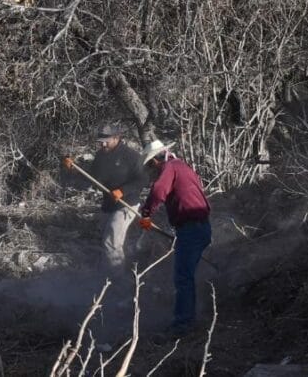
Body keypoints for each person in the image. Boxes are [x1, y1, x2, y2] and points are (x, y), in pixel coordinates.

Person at [138, 139, 212, 338]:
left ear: (154, 161)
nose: (149, 170)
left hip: (192, 228)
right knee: (185, 275)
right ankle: (188, 317)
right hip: (199, 226)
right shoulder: (181, 166)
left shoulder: (168, 168)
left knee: (183, 277)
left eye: (148, 166)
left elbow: (158, 191)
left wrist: (146, 214)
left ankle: (183, 325)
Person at [83, 123, 149, 272]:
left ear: (117, 138)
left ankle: (117, 283)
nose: (103, 144)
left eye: (107, 140)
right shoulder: (100, 155)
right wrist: (74, 169)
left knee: (111, 242)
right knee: (104, 240)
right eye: (101, 141)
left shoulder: (131, 156)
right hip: (108, 204)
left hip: (127, 203)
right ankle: (105, 276)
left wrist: (122, 191)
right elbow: (93, 176)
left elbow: (143, 180)